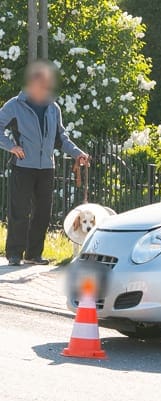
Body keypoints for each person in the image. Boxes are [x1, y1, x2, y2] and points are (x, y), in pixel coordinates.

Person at [0, 60, 89, 266]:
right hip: (22, 166)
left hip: (46, 167)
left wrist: (77, 153)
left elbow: (61, 137)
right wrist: (11, 146)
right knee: (19, 212)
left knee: (42, 212)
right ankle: (14, 253)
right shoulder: (15, 105)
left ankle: (33, 254)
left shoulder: (53, 108)